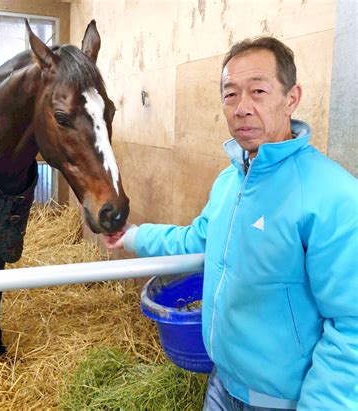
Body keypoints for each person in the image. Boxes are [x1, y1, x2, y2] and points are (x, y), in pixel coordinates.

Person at [102, 37, 357, 411]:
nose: (243, 108)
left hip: (282, 400)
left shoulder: (333, 195)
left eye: (258, 91)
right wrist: (134, 236)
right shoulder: (230, 181)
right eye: (231, 95)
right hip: (222, 384)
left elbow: (351, 325)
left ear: (291, 98)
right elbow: (199, 238)